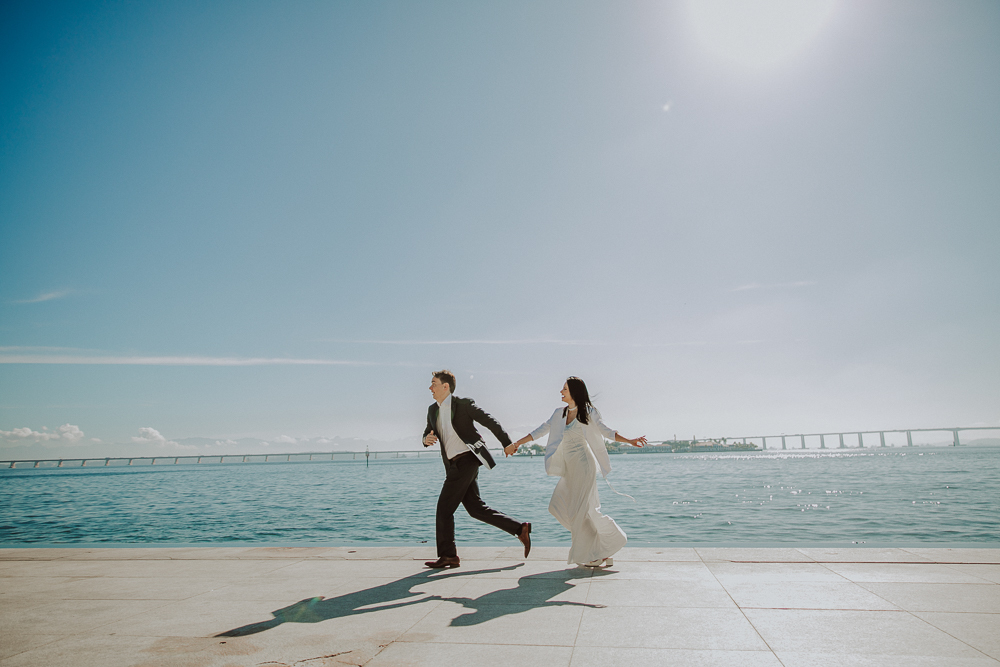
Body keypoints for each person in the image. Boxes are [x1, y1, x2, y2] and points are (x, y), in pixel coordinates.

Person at [505, 377, 646, 567]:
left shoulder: (588, 412)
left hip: (584, 465)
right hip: (569, 469)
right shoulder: (558, 414)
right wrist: (517, 444)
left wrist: (630, 441)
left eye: (564, 389)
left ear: (574, 392)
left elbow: (606, 431)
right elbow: (539, 431)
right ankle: (599, 548)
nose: (561, 392)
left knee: (580, 511)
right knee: (557, 506)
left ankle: (594, 554)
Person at [422, 370, 532, 569]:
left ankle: (449, 556)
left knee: (444, 510)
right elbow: (428, 431)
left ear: (445, 387)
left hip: (468, 460)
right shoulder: (432, 410)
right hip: (452, 465)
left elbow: (490, 421)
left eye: (434, 383)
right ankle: (519, 528)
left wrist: (506, 443)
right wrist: (425, 439)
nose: (430, 388)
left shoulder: (463, 405)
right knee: (475, 509)